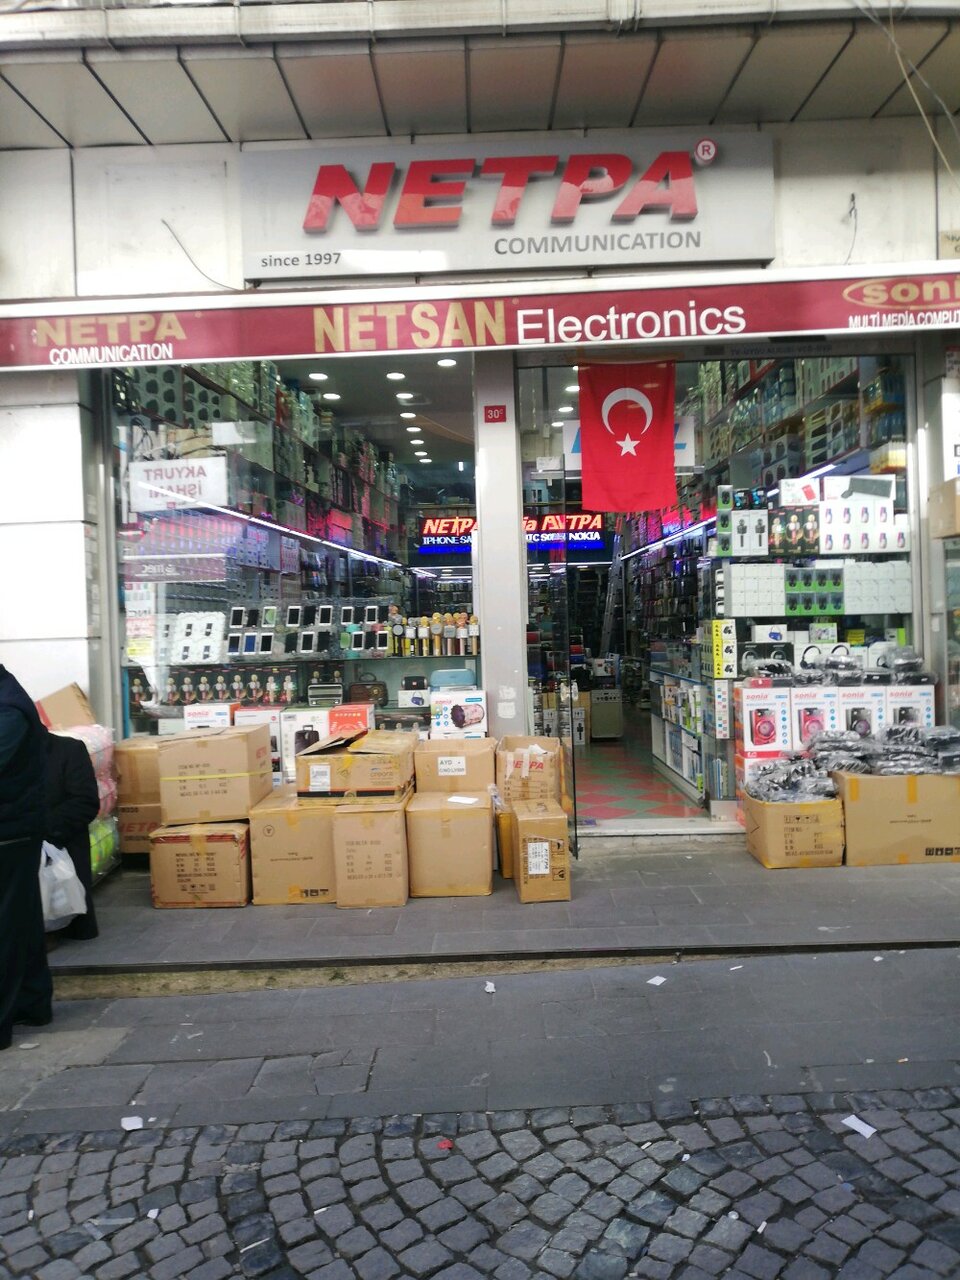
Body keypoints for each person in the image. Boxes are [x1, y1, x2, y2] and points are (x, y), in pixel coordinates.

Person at [0, 665, 53, 1050]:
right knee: (21, 919)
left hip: (10, 831)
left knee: (6, 927)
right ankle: (32, 1002)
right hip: (14, 826)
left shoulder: (8, 710)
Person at [44, 728, 100, 941]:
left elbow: (85, 802)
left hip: (59, 845)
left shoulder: (68, 750)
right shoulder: (9, 755)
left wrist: (40, 829)